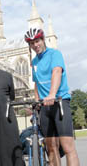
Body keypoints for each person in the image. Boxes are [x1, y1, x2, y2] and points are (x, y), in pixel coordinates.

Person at [24, 28, 80, 166]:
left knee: (68, 148)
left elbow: (56, 72)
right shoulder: (34, 62)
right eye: (32, 43)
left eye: (37, 41)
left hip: (59, 102)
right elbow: (36, 83)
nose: (35, 45)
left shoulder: (55, 54)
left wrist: (52, 94)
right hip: (45, 107)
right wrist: (37, 101)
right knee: (51, 148)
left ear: (43, 40)